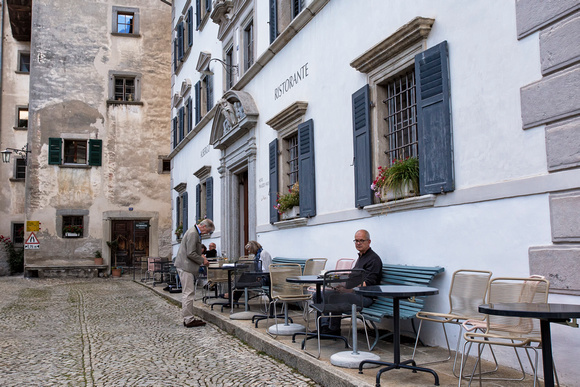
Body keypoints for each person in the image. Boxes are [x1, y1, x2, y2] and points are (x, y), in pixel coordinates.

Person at [320, 229, 383, 336]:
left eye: (361, 240)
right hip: (352, 294)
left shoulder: (373, 259)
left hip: (365, 298)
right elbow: (354, 278)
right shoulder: (361, 257)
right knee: (319, 294)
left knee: (334, 298)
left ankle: (334, 329)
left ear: (369, 242)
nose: (358, 243)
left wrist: (349, 290)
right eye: (356, 241)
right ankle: (324, 327)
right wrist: (341, 285)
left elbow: (369, 283)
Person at [174, 218, 215, 328]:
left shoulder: (193, 231)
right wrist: (203, 260)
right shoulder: (193, 233)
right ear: (204, 226)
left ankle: (188, 317)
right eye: (208, 231)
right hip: (185, 266)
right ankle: (188, 319)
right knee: (189, 293)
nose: (207, 233)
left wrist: (201, 256)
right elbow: (190, 253)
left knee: (188, 292)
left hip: (184, 265)